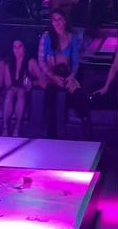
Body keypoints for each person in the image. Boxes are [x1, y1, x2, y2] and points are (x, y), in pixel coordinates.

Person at [34, 9, 91, 138]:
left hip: (67, 73)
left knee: (79, 94)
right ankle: (50, 132)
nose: (57, 22)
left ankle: (86, 127)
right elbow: (41, 60)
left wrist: (71, 77)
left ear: (64, 21)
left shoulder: (72, 37)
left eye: (59, 19)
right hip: (50, 74)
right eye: (54, 20)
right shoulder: (46, 37)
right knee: (50, 92)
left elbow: (76, 62)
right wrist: (53, 76)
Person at [0, 38, 35, 137]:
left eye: (20, 46)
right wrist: (13, 88)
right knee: (10, 93)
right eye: (14, 47)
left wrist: (31, 83)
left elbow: (41, 79)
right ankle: (5, 127)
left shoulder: (31, 62)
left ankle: (17, 127)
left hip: (26, 92)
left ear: (24, 48)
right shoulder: (8, 64)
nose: (17, 49)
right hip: (12, 91)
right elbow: (8, 84)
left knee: (21, 92)